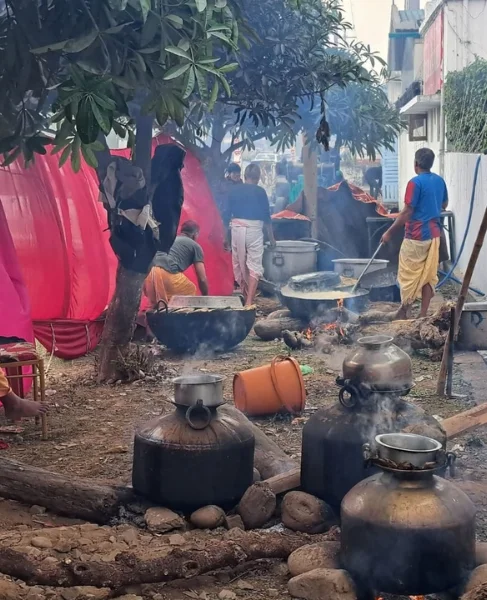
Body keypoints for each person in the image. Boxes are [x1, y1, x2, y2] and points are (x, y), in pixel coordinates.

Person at [381, 148, 448, 319]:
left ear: (416, 164)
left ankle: (406, 311)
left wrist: (388, 233)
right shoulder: (440, 181)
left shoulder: (414, 183)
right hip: (434, 234)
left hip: (416, 236)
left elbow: (407, 212)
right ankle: (423, 314)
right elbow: (444, 204)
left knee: (407, 275)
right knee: (428, 274)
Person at [225, 163, 276, 306]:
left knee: (239, 263)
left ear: (244, 176)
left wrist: (225, 238)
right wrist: (272, 239)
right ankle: (248, 301)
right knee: (254, 265)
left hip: (236, 229)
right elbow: (267, 217)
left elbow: (226, 215)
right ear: (258, 177)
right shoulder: (260, 191)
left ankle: (244, 293)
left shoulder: (233, 190)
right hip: (253, 230)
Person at [144, 220, 208, 306]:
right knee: (190, 290)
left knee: (157, 307)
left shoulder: (170, 239)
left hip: (148, 276)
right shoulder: (195, 246)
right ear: (195, 234)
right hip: (166, 274)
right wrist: (206, 298)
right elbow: (202, 279)